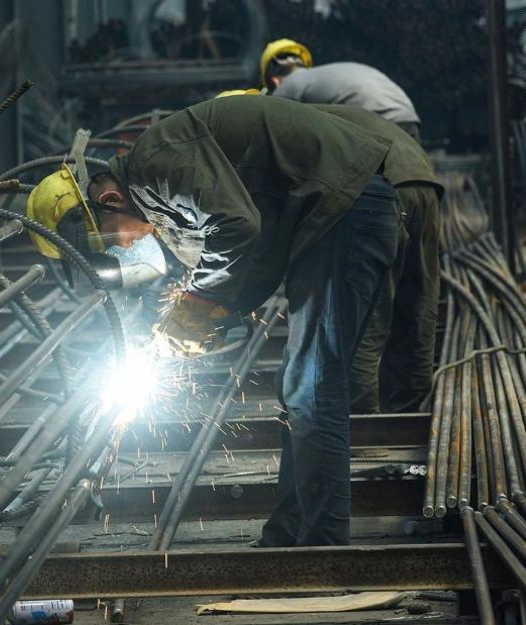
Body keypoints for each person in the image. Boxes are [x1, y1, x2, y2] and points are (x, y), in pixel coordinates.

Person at [28, 95, 400, 546]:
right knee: (300, 386)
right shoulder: (155, 194)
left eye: (109, 242)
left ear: (108, 199)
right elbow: (253, 248)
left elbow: (237, 225)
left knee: (313, 386)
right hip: (331, 216)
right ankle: (290, 532)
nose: (123, 250)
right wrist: (219, 311)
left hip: (347, 208)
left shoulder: (157, 164)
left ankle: (323, 547)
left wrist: (201, 301)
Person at [313, 104, 442, 414]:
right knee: (417, 300)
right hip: (421, 179)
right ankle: (408, 409)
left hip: (380, 186)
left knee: (366, 310)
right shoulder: (306, 113)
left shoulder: (265, 139)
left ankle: (360, 419)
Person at [261, 38, 423, 142]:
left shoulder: (288, 85)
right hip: (408, 118)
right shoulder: (326, 74)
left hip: (376, 125)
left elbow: (276, 136)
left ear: (275, 81)